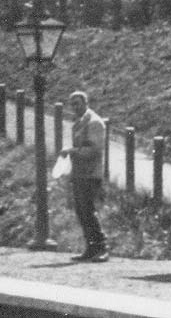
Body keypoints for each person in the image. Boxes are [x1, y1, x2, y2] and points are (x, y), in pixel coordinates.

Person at [60, 90, 109, 262]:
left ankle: (101, 247)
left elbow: (94, 150)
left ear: (86, 103)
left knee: (88, 210)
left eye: (78, 103)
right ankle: (91, 247)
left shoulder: (94, 122)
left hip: (90, 173)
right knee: (81, 210)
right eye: (72, 104)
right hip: (80, 173)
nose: (74, 107)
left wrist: (72, 151)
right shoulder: (80, 122)